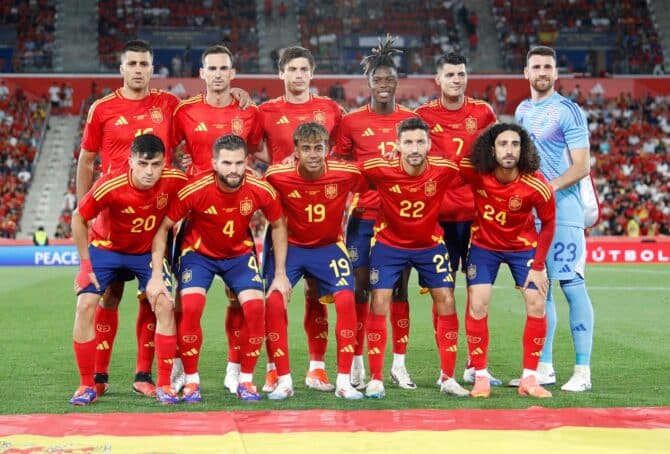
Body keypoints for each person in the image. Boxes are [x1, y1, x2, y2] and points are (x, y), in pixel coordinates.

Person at [146, 134, 291, 402]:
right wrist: (157, 274)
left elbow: (279, 224)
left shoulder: (261, 188)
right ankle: (191, 382)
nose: (233, 169)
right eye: (226, 163)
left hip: (238, 254)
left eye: (238, 163)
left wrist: (280, 274)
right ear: (214, 163)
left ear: (247, 161)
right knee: (190, 307)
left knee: (255, 308)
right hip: (198, 254)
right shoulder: (195, 188)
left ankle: (245, 381)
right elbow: (163, 227)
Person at [76, 39, 180, 399]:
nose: (138, 69)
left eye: (144, 63)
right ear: (121, 68)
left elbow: (201, 125)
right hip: (109, 221)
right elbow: (87, 161)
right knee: (108, 298)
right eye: (132, 63)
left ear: (153, 69)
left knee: (150, 297)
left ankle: (143, 374)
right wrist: (85, 208)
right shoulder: (102, 108)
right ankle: (98, 378)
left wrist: (238, 97)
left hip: (150, 227)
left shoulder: (168, 105)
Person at [171, 44, 263, 394]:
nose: (219, 74)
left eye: (225, 68)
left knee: (241, 301)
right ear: (202, 73)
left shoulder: (248, 111)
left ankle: (235, 370)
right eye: (212, 68)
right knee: (184, 300)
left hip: (235, 215)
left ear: (233, 73)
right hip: (193, 215)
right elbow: (167, 151)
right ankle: (181, 366)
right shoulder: (185, 111)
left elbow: (258, 151)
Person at [69, 134, 187, 405]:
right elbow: (79, 217)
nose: (149, 171)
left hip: (146, 252)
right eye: (143, 163)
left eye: (156, 165)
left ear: (164, 163)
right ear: (131, 161)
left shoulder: (175, 179)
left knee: (164, 304)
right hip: (107, 250)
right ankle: (87, 384)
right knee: (85, 304)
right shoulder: (110, 184)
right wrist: (84, 266)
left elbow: (203, 186)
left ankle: (165, 385)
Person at [360, 117, 469, 399]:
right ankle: (375, 378)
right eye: (408, 142)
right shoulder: (379, 167)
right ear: (397, 145)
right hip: (388, 244)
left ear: (429, 145)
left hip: (430, 245)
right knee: (380, 302)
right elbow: (346, 172)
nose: (414, 148)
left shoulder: (444, 168)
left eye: (420, 141)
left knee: (446, 300)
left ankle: (448, 377)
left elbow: (476, 172)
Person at [257, 46, 343, 393]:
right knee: (274, 291)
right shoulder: (265, 111)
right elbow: (251, 146)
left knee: (316, 293)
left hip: (320, 216)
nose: (298, 75)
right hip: (280, 217)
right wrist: (278, 168)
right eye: (291, 69)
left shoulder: (329, 109)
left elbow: (336, 149)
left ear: (312, 73)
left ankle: (317, 368)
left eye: (304, 69)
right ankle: (273, 368)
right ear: (281, 74)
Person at [335, 35, 419, 391]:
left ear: (397, 82)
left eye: (389, 79)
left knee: (398, 290)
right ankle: (355, 360)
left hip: (398, 220)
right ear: (368, 83)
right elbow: (338, 166)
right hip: (361, 219)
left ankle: (398, 364)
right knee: (358, 290)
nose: (383, 85)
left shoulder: (412, 120)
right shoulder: (352, 122)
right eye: (377, 80)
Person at [263, 122, 366, 400]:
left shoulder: (346, 173)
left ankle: (344, 382)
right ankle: (282, 378)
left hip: (329, 247)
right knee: (273, 300)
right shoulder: (277, 175)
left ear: (328, 150)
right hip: (291, 248)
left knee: (346, 299)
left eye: (318, 148)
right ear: (295, 150)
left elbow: (374, 177)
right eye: (305, 148)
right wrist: (279, 271)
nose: (312, 154)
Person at [415, 52, 500, 387]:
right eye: (449, 74)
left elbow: (496, 157)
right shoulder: (422, 115)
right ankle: (445, 369)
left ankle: (473, 365)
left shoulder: (483, 113)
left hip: (477, 216)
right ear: (437, 79)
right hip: (439, 218)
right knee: (443, 293)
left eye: (461, 74)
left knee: (478, 294)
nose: (456, 79)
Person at [515, 45, 595, 392]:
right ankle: (543, 367)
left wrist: (547, 188)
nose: (543, 72)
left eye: (548, 66)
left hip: (563, 211)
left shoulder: (569, 111)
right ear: (526, 72)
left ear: (556, 73)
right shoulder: (521, 110)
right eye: (537, 66)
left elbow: (582, 165)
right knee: (539, 289)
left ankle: (582, 371)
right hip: (531, 215)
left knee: (572, 285)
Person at [459, 123, 555, 399]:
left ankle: (530, 379)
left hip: (523, 249)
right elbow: (445, 164)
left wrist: (538, 267)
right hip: (483, 246)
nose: (509, 150)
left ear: (523, 150)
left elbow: (548, 224)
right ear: (492, 149)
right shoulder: (476, 173)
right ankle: (480, 377)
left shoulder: (537, 183)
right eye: (503, 144)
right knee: (478, 303)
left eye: (515, 144)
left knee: (537, 303)